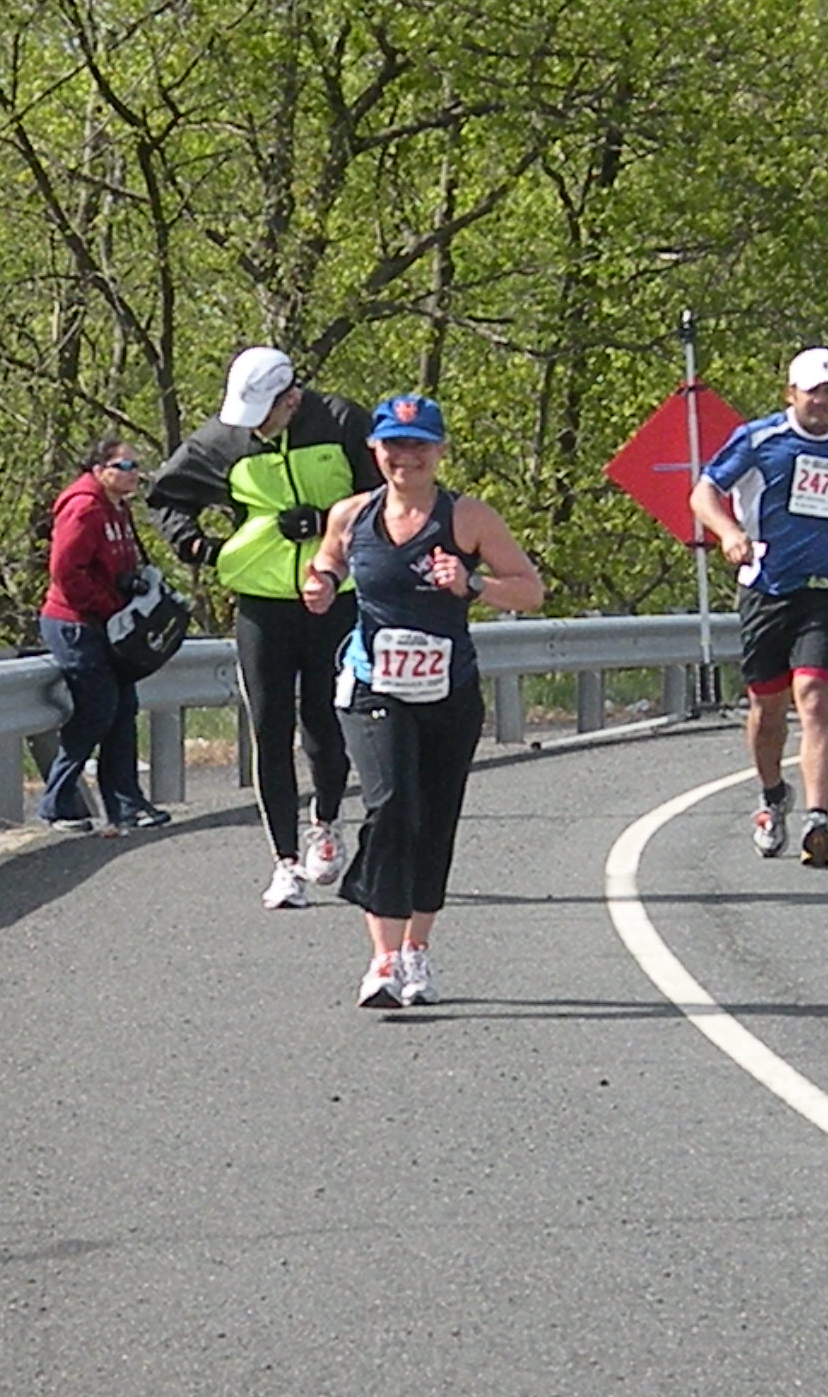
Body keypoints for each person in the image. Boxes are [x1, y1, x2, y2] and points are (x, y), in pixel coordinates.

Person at [298, 393, 543, 1008]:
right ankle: (381, 959)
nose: (406, 457)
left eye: (419, 445)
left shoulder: (469, 519)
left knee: (434, 820)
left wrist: (473, 584)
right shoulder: (352, 515)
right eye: (395, 445)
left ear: (438, 451)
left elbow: (531, 591)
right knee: (389, 805)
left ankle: (416, 951)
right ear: (375, 450)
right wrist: (321, 583)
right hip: (372, 686)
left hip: (447, 691)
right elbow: (328, 560)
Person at [146, 346, 380, 907]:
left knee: (326, 725)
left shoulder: (343, 420)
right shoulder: (223, 440)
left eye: (264, 414)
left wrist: (326, 523)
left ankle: (324, 823)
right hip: (260, 603)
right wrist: (197, 545)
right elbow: (166, 494)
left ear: (292, 399)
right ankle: (285, 863)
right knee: (270, 729)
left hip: (334, 596)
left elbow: (383, 497)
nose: (254, 428)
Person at [688, 346, 828, 868]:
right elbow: (704, 493)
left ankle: (818, 819)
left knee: (815, 698)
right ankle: (771, 796)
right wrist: (730, 531)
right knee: (767, 709)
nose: (821, 402)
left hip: (827, 589)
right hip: (767, 587)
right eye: (812, 392)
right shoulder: (761, 440)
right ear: (791, 394)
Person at [37, 437, 174, 834]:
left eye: (136, 467)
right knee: (97, 710)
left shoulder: (118, 508)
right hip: (76, 623)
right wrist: (108, 607)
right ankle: (57, 803)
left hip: (113, 624)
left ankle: (126, 804)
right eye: (125, 467)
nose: (134, 474)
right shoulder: (82, 509)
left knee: (123, 709)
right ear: (99, 470)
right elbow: (66, 573)